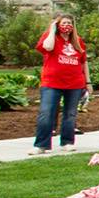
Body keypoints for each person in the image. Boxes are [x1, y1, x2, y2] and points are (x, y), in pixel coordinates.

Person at [31, 14, 90, 155]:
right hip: (51, 82)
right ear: (58, 24)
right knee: (46, 113)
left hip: (74, 83)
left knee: (70, 114)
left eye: (70, 23)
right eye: (63, 23)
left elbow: (83, 62)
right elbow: (48, 47)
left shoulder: (78, 42)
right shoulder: (50, 38)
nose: (67, 25)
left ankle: (67, 142)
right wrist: (52, 30)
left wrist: (88, 82)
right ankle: (41, 145)